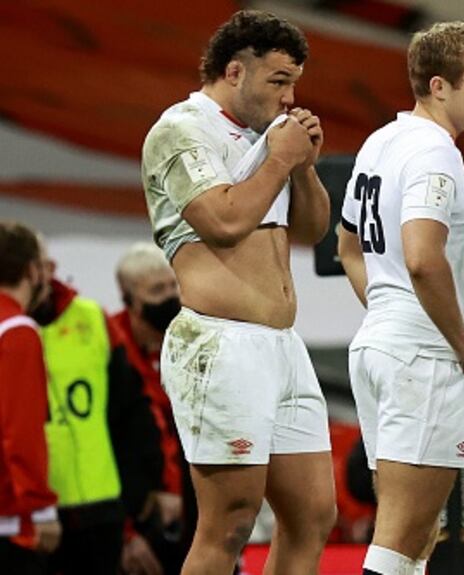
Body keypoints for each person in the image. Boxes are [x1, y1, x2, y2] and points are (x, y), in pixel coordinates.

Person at [140, 10, 336, 574]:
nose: (289, 97)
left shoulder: (268, 138)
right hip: (219, 344)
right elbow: (223, 222)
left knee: (312, 517)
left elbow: (311, 231)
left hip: (282, 346)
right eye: (278, 81)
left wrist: (303, 167)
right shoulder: (181, 129)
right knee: (229, 522)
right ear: (234, 71)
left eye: (293, 83)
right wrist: (281, 157)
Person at [336, 20, 464, 575]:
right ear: (438, 87)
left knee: (416, 538)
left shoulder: (381, 142)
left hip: (381, 345)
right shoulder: (435, 153)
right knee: (401, 540)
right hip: (421, 354)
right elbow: (424, 259)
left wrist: (388, 307)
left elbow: (348, 246)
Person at [30, 241, 159, 575]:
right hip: (32, 512)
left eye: (44, 264)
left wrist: (138, 503)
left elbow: (131, 412)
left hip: (101, 511)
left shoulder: (91, 317)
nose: (41, 274)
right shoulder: (10, 327)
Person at [111, 242, 189, 574]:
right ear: (130, 299)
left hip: (185, 508)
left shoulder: (188, 340)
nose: (170, 296)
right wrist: (126, 530)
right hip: (135, 514)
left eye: (173, 285)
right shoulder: (111, 351)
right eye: (157, 290)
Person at [0, 221, 59, 574]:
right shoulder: (16, 331)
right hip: (8, 516)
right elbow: (20, 431)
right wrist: (40, 509)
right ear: (32, 270)